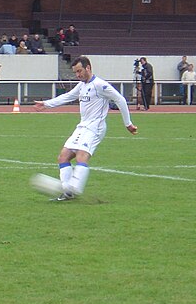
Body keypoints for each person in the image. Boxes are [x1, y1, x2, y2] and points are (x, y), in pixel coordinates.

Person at [34, 55, 138, 200]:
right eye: (75, 72)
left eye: (79, 71)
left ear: (88, 68)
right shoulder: (81, 85)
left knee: (81, 156)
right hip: (82, 127)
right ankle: (67, 192)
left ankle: (75, 187)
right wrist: (46, 104)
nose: (77, 75)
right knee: (63, 157)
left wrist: (128, 123)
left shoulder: (100, 85)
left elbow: (119, 99)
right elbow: (67, 96)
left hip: (96, 127)